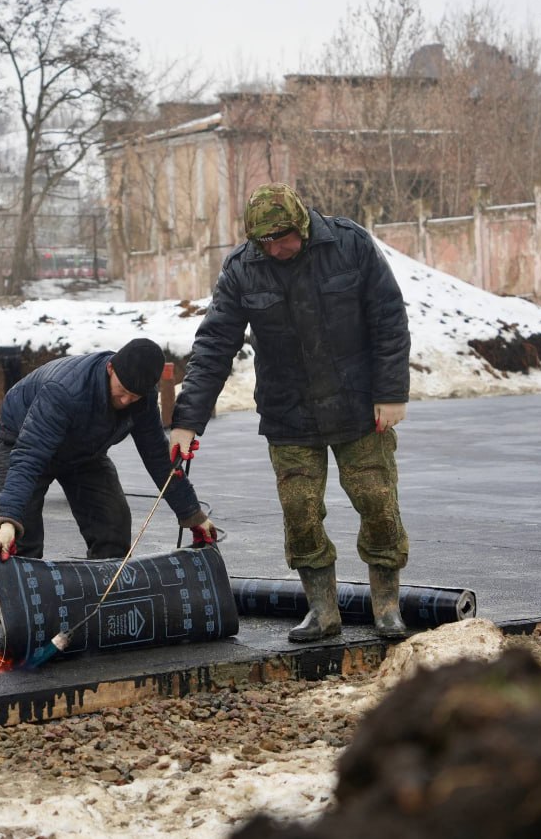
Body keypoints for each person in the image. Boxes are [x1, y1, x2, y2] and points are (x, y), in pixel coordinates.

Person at [169, 183, 411, 642]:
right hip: (289, 413)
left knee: (377, 503)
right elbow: (215, 344)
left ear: (301, 225)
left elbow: (388, 317)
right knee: (299, 511)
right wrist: (186, 421)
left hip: (359, 406)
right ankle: (323, 611)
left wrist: (391, 391)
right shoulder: (243, 268)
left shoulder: (349, 244)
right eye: (266, 243)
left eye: (283, 239)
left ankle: (387, 607)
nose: (276, 250)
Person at [0, 337, 217, 661]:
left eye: (134, 395)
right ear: (110, 369)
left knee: (113, 523)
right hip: (23, 438)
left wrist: (192, 514)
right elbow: (29, 456)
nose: (125, 400)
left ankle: (97, 617)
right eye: (121, 390)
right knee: (24, 540)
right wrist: (8, 521)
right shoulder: (65, 391)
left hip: (83, 451)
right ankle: (10, 628)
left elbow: (158, 459)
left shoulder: (140, 398)